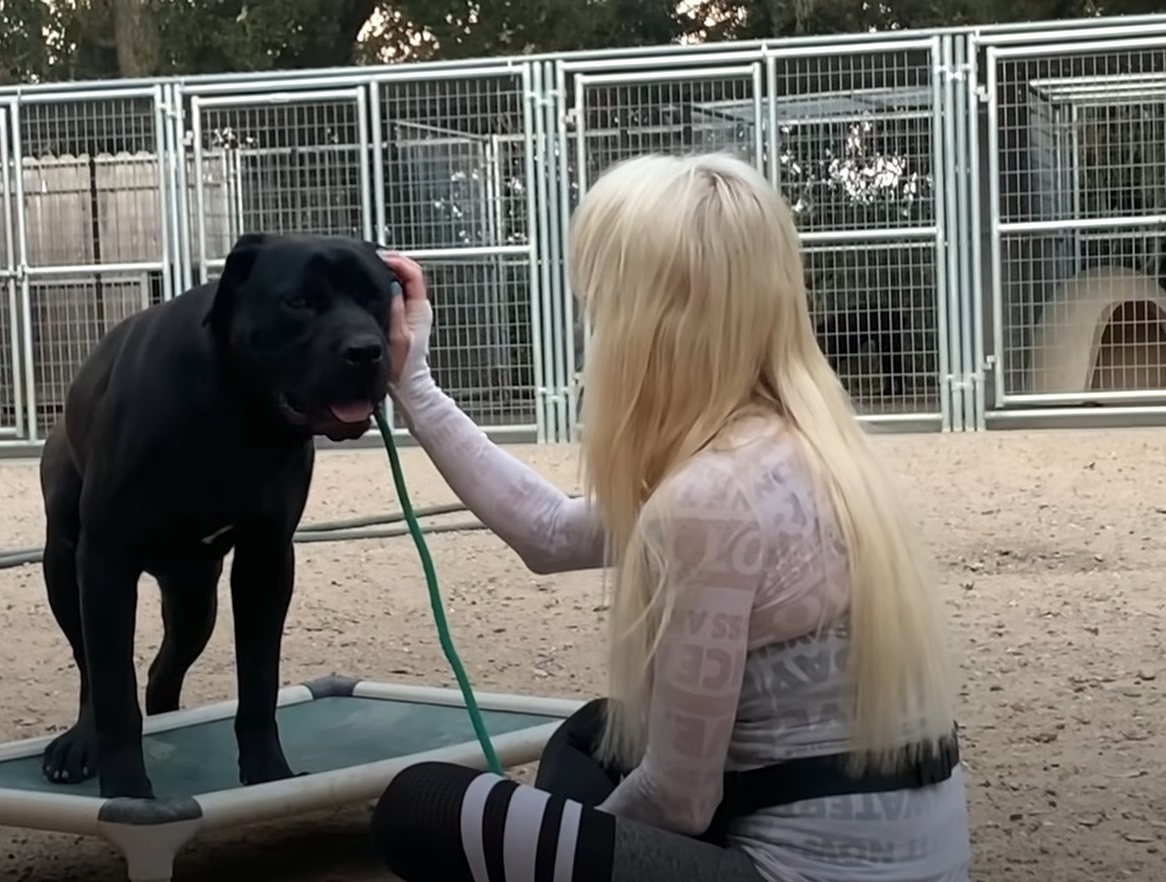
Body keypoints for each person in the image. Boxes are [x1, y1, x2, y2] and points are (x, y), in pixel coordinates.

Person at [367, 151, 971, 882]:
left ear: (650, 321)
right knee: (591, 738)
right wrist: (416, 384)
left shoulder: (712, 502)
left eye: (602, 304)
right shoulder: (809, 451)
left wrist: (550, 860)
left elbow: (680, 797)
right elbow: (550, 532)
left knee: (423, 805)